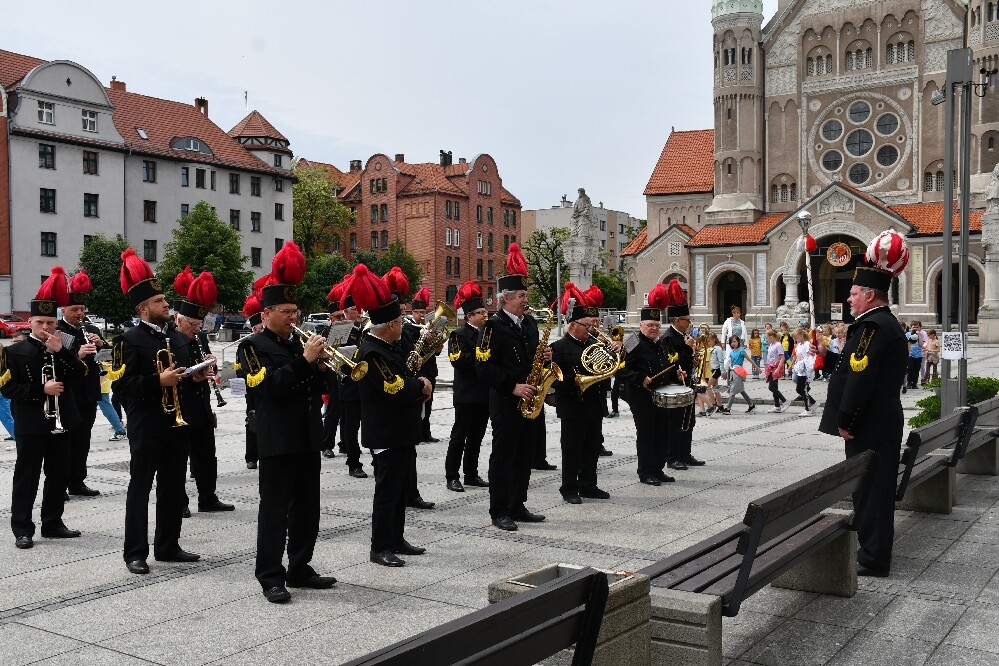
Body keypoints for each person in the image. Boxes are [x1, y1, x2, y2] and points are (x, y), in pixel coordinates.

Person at [236, 241, 336, 602]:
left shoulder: (298, 344)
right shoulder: (251, 347)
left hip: (307, 435)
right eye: (285, 311)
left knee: (308, 509)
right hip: (277, 439)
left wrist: (322, 368)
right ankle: (270, 575)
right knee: (275, 510)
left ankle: (300, 567)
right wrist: (305, 362)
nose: (293, 317)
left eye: (295, 310)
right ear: (266, 314)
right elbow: (271, 387)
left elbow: (317, 387)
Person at [819, 232, 909, 577]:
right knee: (874, 492)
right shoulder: (882, 324)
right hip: (881, 422)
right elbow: (854, 368)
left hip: (868, 425)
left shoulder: (871, 327)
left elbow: (861, 379)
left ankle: (872, 558)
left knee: (871, 493)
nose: (849, 297)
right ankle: (873, 552)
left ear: (870, 295)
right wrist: (827, 357)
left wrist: (846, 419)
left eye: (854, 293)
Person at [114, 250, 205, 574]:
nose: (166, 305)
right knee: (140, 488)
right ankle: (135, 552)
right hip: (147, 425)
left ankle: (168, 545)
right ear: (143, 308)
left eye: (165, 300)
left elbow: (182, 378)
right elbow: (121, 386)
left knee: (173, 486)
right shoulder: (127, 340)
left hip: (176, 425)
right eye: (159, 301)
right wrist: (157, 381)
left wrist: (194, 378)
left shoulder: (177, 338)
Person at [349, 265, 432, 566]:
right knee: (386, 491)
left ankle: (396, 538)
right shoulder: (373, 352)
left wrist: (417, 379)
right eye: (398, 321)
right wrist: (420, 385)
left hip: (401, 429)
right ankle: (379, 546)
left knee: (400, 489)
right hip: (386, 431)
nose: (401, 325)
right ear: (390, 324)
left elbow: (405, 374)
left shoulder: (390, 345)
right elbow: (394, 387)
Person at [4, 267, 83, 549]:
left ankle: (53, 522)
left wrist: (61, 352)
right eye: (41, 322)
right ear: (30, 323)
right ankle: (22, 528)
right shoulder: (13, 352)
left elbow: (80, 374)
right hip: (30, 422)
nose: (46, 327)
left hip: (61, 421)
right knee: (27, 476)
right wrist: (41, 390)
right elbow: (8, 388)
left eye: (50, 322)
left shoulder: (63, 348)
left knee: (58, 474)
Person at [476, 244, 550, 531]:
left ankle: (518, 504)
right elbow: (484, 368)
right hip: (507, 401)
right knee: (504, 456)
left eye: (526, 295)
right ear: (505, 298)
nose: (525, 300)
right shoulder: (491, 327)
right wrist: (513, 387)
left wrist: (545, 357)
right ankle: (499, 510)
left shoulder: (529, 323)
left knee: (524, 455)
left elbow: (533, 356)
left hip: (531, 399)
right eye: (521, 296)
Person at [170, 269, 233, 515]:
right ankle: (180, 502)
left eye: (199, 324)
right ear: (179, 320)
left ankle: (208, 497)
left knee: (206, 454)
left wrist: (210, 364)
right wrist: (191, 376)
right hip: (181, 403)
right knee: (179, 457)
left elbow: (206, 364)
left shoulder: (199, 337)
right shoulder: (170, 339)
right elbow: (172, 372)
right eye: (193, 324)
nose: (197, 328)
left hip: (201, 403)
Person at [549, 289, 614, 504]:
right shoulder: (558, 347)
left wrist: (613, 352)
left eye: (591, 325)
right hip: (572, 405)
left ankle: (588, 485)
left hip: (594, 403)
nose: (590, 329)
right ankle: (569, 488)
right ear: (572, 325)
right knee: (572, 449)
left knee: (592, 447)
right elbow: (555, 379)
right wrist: (574, 381)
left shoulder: (594, 345)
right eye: (586, 325)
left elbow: (607, 369)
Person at [618, 288, 674, 485]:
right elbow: (619, 369)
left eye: (657, 325)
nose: (654, 328)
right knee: (646, 435)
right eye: (650, 325)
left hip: (660, 395)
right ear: (641, 325)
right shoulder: (633, 342)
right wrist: (640, 378)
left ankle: (658, 469)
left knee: (662, 433)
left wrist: (674, 374)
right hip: (641, 396)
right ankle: (646, 472)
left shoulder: (659, 343)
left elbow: (663, 365)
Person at [58, 269, 104, 497]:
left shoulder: (92, 329)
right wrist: (78, 354)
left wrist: (101, 344)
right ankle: (61, 483)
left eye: (82, 309)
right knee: (66, 440)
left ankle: (77, 481)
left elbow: (106, 357)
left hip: (89, 392)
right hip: (69, 392)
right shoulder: (58, 330)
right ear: (64, 310)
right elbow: (56, 361)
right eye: (74, 309)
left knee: (83, 439)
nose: (79, 313)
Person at [444, 281, 490, 493]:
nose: (485, 315)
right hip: (466, 393)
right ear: (469, 316)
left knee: (476, 437)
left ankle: (471, 474)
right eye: (481, 312)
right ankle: (452, 476)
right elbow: (458, 359)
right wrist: (482, 358)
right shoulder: (459, 335)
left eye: (485, 311)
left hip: (484, 392)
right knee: (459, 437)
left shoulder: (488, 333)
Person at [660, 280, 702, 470]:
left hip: (687, 384)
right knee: (676, 422)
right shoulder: (668, 338)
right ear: (677, 320)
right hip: (675, 385)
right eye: (686, 319)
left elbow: (686, 361)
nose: (689, 322)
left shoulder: (683, 336)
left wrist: (693, 359)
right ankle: (673, 457)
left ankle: (685, 454)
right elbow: (673, 363)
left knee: (689, 421)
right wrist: (687, 350)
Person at [337, 294, 368, 479]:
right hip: (349, 384)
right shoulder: (341, 330)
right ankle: (353, 463)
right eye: (355, 308)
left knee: (371, 424)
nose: (359, 312)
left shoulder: (365, 328)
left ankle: (377, 459)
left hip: (366, 384)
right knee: (351, 428)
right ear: (346, 312)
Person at [237, 287, 264, 470]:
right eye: (258, 328)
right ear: (254, 329)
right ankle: (251, 457)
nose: (261, 330)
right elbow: (240, 370)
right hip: (252, 390)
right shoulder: (246, 345)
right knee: (252, 423)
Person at [719, 337, 759, 414]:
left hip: (739, 372)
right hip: (732, 372)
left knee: (733, 391)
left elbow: (749, 359)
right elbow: (729, 363)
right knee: (741, 390)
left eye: (734, 341)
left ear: (738, 342)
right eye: (731, 342)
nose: (733, 343)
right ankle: (751, 405)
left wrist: (757, 368)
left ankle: (728, 408)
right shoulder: (731, 352)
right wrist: (726, 373)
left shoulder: (741, 350)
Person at [791, 327, 818, 416]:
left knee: (803, 389)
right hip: (800, 370)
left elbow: (810, 356)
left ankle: (808, 409)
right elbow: (798, 356)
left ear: (801, 336)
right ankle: (813, 403)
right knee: (799, 389)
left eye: (796, 338)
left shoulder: (807, 344)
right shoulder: (799, 345)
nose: (795, 340)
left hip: (806, 370)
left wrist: (806, 365)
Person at [98, 360, 127, 440]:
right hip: (102, 381)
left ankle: (120, 430)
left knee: (106, 408)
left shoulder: (101, 356)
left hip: (100, 383)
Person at [764, 329, 789, 412]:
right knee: (774, 387)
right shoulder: (771, 345)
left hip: (775, 367)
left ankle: (785, 401)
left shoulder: (778, 345)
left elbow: (782, 358)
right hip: (770, 367)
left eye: (767, 338)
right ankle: (777, 405)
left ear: (771, 337)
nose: (766, 340)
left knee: (771, 387)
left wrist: (778, 369)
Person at [905, 321, 923, 390]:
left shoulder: (920, 334)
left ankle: (914, 383)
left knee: (916, 370)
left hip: (918, 355)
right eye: (914, 327)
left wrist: (918, 336)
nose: (915, 328)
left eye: (917, 327)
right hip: (910, 355)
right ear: (911, 327)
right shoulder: (907, 334)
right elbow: (907, 344)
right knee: (910, 369)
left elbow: (921, 345)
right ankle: (909, 382)